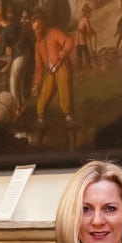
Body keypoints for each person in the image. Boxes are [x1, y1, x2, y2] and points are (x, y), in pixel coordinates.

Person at [31, 9, 75, 143]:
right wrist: (37, 85)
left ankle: (69, 120)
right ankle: (41, 122)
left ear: (44, 24)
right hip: (50, 72)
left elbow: (69, 41)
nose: (36, 31)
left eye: (38, 27)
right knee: (42, 99)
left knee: (65, 94)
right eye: (34, 29)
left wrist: (64, 51)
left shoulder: (54, 33)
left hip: (62, 67)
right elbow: (39, 68)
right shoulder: (38, 45)